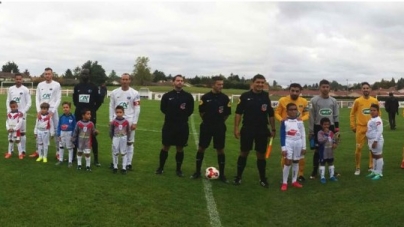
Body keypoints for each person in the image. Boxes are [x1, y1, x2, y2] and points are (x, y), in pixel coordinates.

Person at [233, 74, 276, 188]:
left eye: (262, 82)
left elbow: (271, 114)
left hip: (262, 130)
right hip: (248, 129)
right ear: (252, 83)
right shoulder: (245, 96)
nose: (260, 84)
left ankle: (262, 178)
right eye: (258, 82)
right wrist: (236, 128)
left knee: (261, 155)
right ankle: (238, 177)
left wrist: (273, 128)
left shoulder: (266, 96)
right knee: (244, 152)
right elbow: (238, 113)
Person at [190, 76, 231, 183]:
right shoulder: (205, 97)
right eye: (219, 84)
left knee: (220, 149)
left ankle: (222, 175)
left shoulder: (225, 98)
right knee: (201, 148)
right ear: (213, 85)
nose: (221, 86)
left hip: (220, 127)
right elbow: (201, 112)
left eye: (222, 84)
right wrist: (209, 121)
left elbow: (226, 114)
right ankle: (197, 172)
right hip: (206, 126)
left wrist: (218, 122)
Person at [155, 75, 194, 177]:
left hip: (182, 126)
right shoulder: (167, 96)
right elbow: (163, 109)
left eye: (181, 81)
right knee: (165, 146)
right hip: (169, 125)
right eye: (178, 80)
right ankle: (160, 168)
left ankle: (178, 169)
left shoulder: (188, 96)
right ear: (173, 82)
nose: (180, 82)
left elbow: (190, 110)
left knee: (180, 148)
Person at [275, 83, 309, 182]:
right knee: (286, 154)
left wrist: (301, 119)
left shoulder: (304, 101)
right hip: (287, 131)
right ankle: (285, 175)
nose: (295, 92)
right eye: (292, 90)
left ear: (300, 92)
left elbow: (307, 113)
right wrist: (281, 119)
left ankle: (300, 175)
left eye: (297, 91)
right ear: (289, 91)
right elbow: (276, 112)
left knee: (300, 155)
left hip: (298, 130)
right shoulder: (282, 100)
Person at [309, 79, 340, 179]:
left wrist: (336, 129)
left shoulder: (333, 101)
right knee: (318, 150)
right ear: (320, 87)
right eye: (323, 87)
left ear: (329, 88)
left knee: (330, 148)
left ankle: (332, 171)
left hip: (330, 127)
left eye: (327, 87)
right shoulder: (314, 100)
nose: (325, 89)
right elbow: (311, 116)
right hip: (318, 127)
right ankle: (314, 171)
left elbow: (336, 116)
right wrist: (311, 131)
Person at [109, 73, 140, 171]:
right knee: (115, 142)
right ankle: (115, 163)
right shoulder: (114, 92)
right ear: (120, 80)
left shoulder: (135, 93)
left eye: (127, 79)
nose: (125, 81)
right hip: (116, 121)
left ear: (130, 80)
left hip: (129, 121)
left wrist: (134, 122)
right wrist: (111, 119)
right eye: (123, 79)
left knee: (129, 142)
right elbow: (111, 106)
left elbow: (137, 108)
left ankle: (128, 163)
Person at [72, 69, 102, 166]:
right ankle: (73, 157)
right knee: (76, 134)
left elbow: (99, 101)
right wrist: (81, 110)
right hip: (78, 114)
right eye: (82, 74)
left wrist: (92, 110)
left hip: (90, 115)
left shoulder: (93, 87)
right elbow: (75, 100)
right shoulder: (77, 87)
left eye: (86, 74)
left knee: (92, 135)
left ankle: (96, 159)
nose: (84, 75)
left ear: (89, 75)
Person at [29, 67, 61, 159]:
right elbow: (37, 98)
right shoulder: (40, 85)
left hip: (52, 110)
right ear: (44, 74)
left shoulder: (56, 84)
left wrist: (53, 111)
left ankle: (58, 152)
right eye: (46, 74)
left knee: (55, 131)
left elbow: (58, 98)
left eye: (49, 73)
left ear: (52, 74)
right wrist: (38, 110)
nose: (47, 75)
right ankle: (38, 151)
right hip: (41, 111)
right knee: (39, 129)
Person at [349, 82, 379, 175]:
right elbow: (352, 114)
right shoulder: (358, 101)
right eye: (364, 88)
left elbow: (379, 114)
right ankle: (357, 167)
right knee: (358, 149)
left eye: (367, 88)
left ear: (370, 89)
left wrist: (378, 126)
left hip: (371, 129)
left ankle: (371, 166)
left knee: (372, 148)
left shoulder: (374, 101)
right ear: (361, 90)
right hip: (360, 128)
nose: (366, 89)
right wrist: (353, 125)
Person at [280, 103, 306, 191]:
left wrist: (304, 147)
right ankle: (284, 182)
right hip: (288, 143)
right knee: (287, 162)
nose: (293, 111)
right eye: (291, 109)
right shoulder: (284, 121)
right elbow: (282, 135)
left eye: (295, 109)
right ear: (287, 111)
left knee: (296, 161)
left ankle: (294, 181)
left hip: (298, 143)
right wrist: (283, 148)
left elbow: (303, 134)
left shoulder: (300, 121)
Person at [6, 73, 32, 156]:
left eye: (20, 79)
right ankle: (11, 150)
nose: (18, 81)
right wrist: (8, 111)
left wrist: (22, 112)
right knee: (11, 132)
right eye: (17, 79)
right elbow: (8, 101)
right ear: (14, 79)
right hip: (12, 116)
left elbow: (29, 102)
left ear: (22, 79)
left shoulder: (25, 89)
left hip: (21, 115)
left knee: (22, 133)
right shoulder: (11, 89)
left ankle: (23, 151)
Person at [110, 106, 131, 174]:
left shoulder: (126, 122)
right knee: (115, 152)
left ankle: (124, 167)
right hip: (116, 137)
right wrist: (112, 138)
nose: (119, 114)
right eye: (117, 112)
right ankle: (115, 166)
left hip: (123, 138)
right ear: (115, 113)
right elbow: (111, 131)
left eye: (120, 112)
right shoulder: (113, 122)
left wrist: (128, 139)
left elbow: (128, 131)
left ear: (123, 113)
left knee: (123, 152)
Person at [317, 117, 339, 184]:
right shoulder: (320, 133)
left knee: (331, 163)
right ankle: (322, 177)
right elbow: (320, 140)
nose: (326, 126)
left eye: (328, 124)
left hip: (330, 151)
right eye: (325, 124)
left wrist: (335, 143)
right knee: (322, 163)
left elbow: (334, 139)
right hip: (323, 151)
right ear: (321, 125)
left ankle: (332, 176)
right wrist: (326, 134)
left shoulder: (331, 132)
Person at [366, 104, 384, 180]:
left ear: (377, 111)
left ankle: (379, 173)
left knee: (378, 155)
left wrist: (375, 141)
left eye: (374, 110)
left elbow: (379, 131)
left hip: (376, 140)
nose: (372, 112)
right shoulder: (371, 119)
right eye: (371, 110)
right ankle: (374, 171)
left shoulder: (378, 120)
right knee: (373, 155)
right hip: (370, 140)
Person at [56, 101, 76, 167]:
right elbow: (59, 126)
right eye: (64, 107)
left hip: (69, 133)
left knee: (69, 147)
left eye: (67, 107)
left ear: (70, 108)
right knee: (61, 146)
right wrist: (58, 134)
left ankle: (70, 161)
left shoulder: (72, 117)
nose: (65, 109)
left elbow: (74, 126)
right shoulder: (61, 116)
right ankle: (60, 160)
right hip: (62, 133)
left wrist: (73, 135)